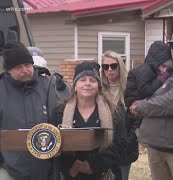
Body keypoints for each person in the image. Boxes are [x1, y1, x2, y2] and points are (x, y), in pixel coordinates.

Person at [130, 29, 173, 180]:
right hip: (155, 146)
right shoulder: (167, 70)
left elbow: (172, 101)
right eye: (172, 45)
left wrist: (142, 106)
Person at [0, 41, 70, 180]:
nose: (25, 70)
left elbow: (62, 119)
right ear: (8, 70)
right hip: (10, 168)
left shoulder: (48, 85)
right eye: (19, 67)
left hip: (48, 167)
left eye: (27, 65)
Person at [49, 61, 126, 180]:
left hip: (104, 174)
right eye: (83, 80)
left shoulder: (114, 112)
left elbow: (120, 145)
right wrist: (70, 168)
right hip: (71, 174)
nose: (88, 84)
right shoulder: (59, 112)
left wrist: (92, 166)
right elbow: (52, 144)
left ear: (99, 86)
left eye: (93, 80)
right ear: (75, 85)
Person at [101, 50, 133, 180]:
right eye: (105, 66)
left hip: (124, 147)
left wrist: (130, 140)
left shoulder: (129, 88)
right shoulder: (99, 90)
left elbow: (135, 119)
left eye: (113, 66)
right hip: (104, 146)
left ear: (120, 66)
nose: (110, 70)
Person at [124, 40, 173, 109]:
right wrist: (159, 80)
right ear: (156, 63)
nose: (164, 70)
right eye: (163, 66)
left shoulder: (153, 71)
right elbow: (145, 90)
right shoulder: (145, 70)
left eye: (167, 68)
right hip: (134, 104)